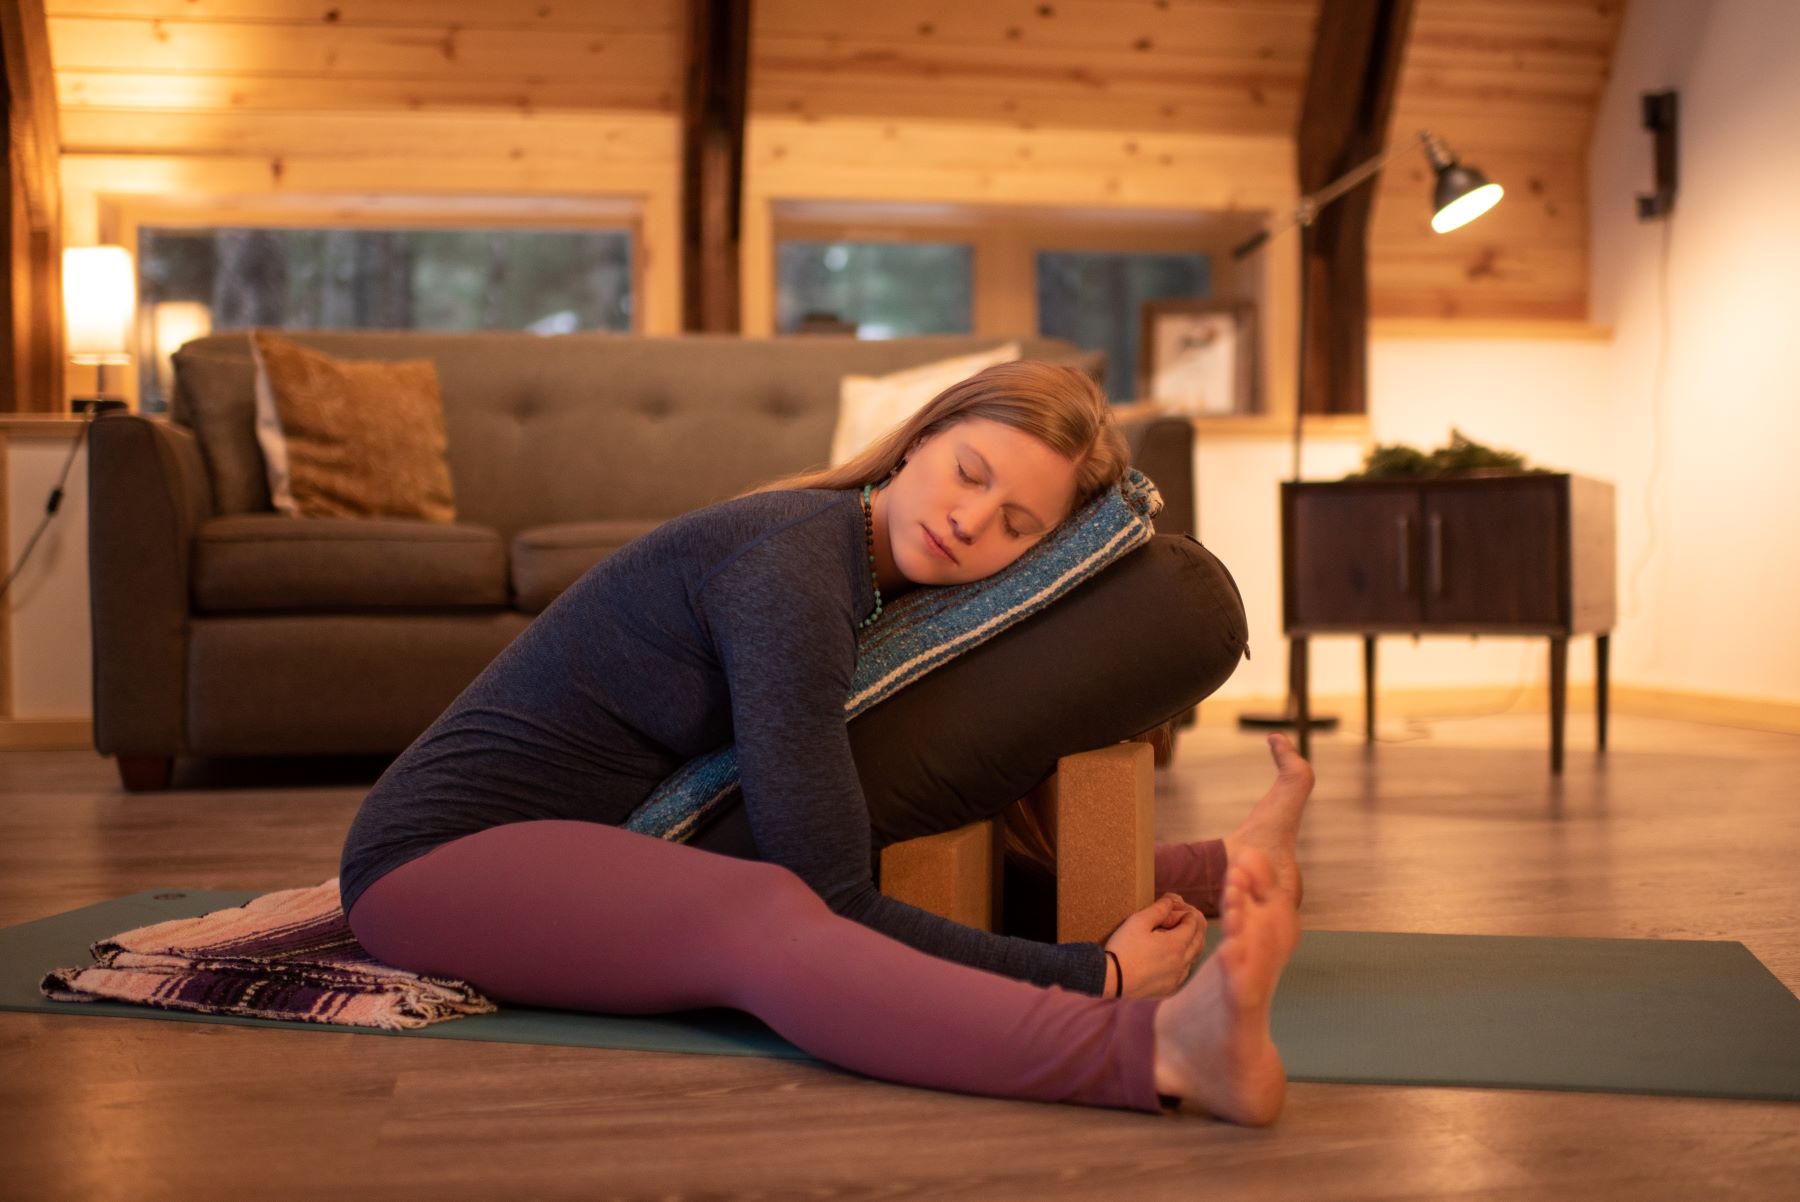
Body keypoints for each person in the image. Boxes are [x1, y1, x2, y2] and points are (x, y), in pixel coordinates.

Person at [339, 360, 1312, 1123]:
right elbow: (831, 891)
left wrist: (1199, 870)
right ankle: (1159, 1053)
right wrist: (1089, 977)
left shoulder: (869, 585)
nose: (969, 520)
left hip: (585, 848)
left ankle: (1218, 863)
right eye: (968, 471)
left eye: (1016, 523)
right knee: (770, 909)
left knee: (863, 841)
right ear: (918, 440)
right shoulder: (793, 574)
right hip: (434, 866)